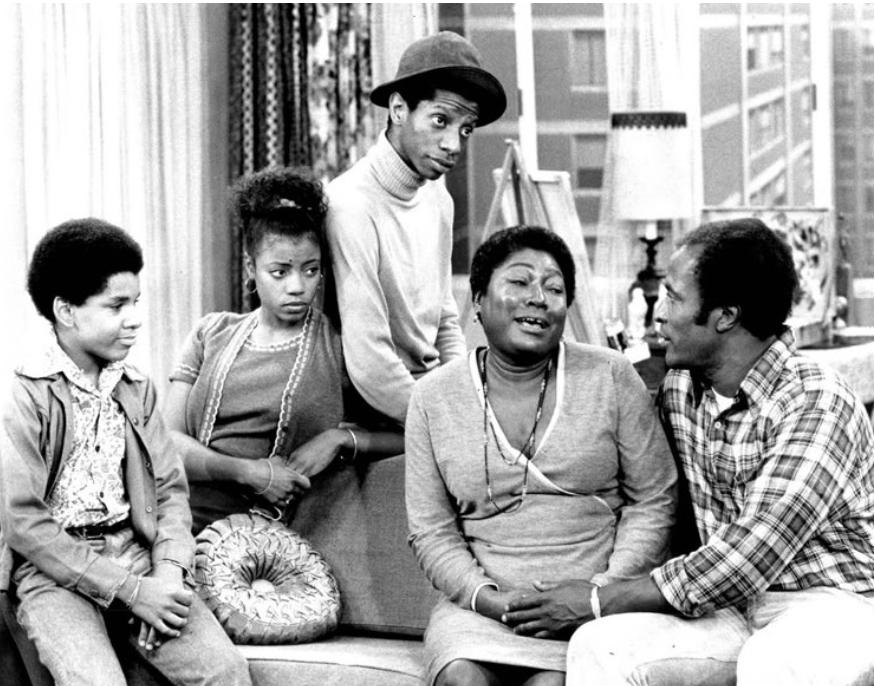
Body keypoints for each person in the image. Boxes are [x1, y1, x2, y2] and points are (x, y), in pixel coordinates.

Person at [523, 219, 873, 686]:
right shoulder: (680, 390)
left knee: (773, 662)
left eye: (673, 297)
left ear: (725, 316)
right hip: (725, 607)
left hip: (828, 604)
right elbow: (647, 497)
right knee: (599, 645)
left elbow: (750, 555)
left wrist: (596, 599)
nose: (659, 315)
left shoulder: (817, 400)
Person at [405, 226, 677, 686]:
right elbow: (431, 531)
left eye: (554, 289)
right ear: (478, 300)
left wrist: (600, 593)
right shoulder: (432, 397)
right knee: (462, 680)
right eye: (519, 282)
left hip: (592, 607)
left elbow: (655, 499)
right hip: (481, 609)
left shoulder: (610, 376)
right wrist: (487, 598)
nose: (538, 298)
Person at [0, 219, 251, 686]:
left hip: (137, 555)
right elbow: (24, 522)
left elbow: (171, 493)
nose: (134, 318)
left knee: (226, 673)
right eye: (117, 305)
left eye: (136, 302)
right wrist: (132, 593)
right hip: (54, 571)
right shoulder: (26, 393)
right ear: (66, 311)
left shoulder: (136, 387)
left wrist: (168, 575)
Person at [166, 167, 404, 533]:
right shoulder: (210, 333)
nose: (297, 286)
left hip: (279, 539)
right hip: (184, 521)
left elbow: (413, 431)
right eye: (280, 272)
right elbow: (167, 443)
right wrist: (250, 473)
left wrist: (341, 439)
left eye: (310, 270)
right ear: (251, 267)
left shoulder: (338, 346)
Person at [326, 31, 507, 425]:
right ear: (398, 109)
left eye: (466, 129)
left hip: (429, 401)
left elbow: (444, 320)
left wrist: (465, 398)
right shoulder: (349, 204)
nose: (454, 144)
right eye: (440, 120)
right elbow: (370, 364)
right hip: (373, 412)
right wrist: (449, 423)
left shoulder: (439, 199)